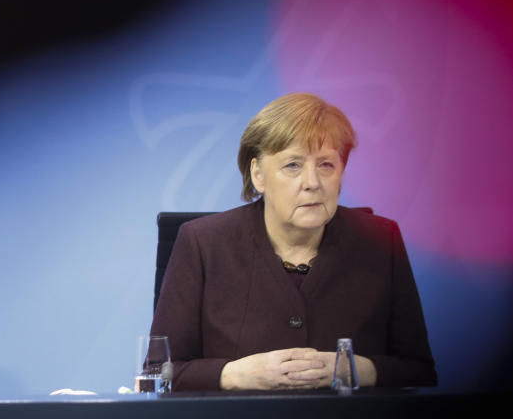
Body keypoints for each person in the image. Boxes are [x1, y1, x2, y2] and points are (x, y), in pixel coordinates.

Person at [150, 93, 437, 390]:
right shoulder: (202, 243)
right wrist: (236, 375)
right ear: (258, 174)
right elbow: (159, 373)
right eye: (293, 166)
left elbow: (418, 370)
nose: (312, 182)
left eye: (326, 164)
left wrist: (354, 370)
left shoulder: (381, 240)